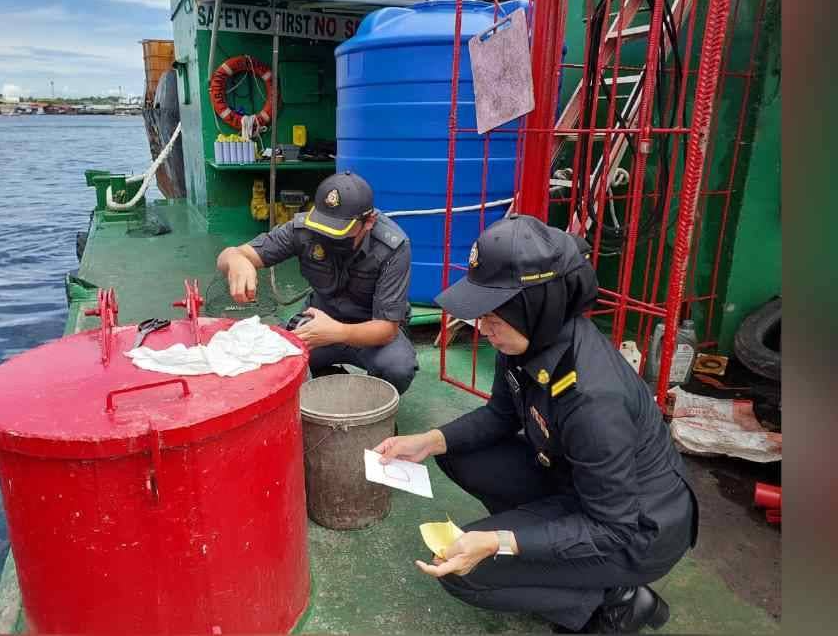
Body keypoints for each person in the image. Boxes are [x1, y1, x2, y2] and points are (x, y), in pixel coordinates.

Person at [372, 214, 699, 633]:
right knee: (459, 454)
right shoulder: (524, 340)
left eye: (493, 314)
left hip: (637, 531)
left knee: (464, 572)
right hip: (577, 485)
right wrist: (428, 441)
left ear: (535, 307)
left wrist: (499, 541)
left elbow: (613, 528)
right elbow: (500, 417)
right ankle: (547, 558)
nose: (483, 327)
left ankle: (614, 601)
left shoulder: (594, 398)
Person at [215, 171, 417, 394]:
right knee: (272, 359)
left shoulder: (392, 247)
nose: (328, 238)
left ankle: (370, 407)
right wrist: (236, 259)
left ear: (368, 222)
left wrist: (338, 331)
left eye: (339, 232)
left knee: (397, 367)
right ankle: (324, 377)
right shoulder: (304, 230)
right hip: (317, 320)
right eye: (324, 228)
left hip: (370, 330)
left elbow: (386, 329)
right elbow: (230, 256)